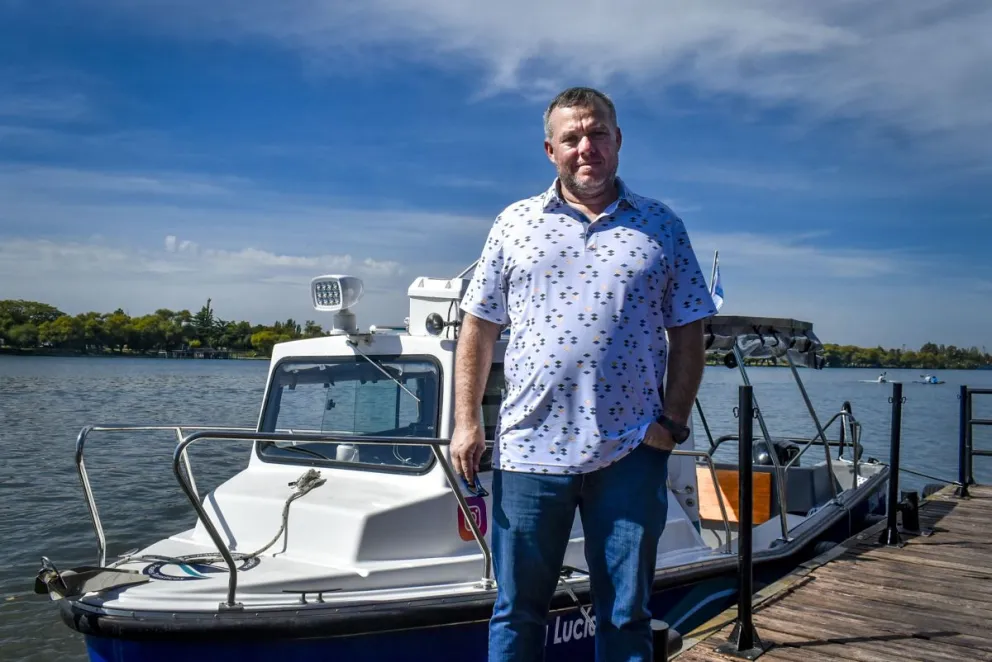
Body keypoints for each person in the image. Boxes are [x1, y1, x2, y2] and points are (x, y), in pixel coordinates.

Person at [451, 86, 717, 662]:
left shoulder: (661, 225)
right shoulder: (514, 222)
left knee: (625, 614)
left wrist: (672, 422)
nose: (585, 147)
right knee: (517, 611)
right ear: (551, 149)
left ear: (617, 140)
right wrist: (466, 422)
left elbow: (690, 328)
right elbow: (478, 327)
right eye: (571, 137)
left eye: (597, 133)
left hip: (629, 450)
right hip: (527, 451)